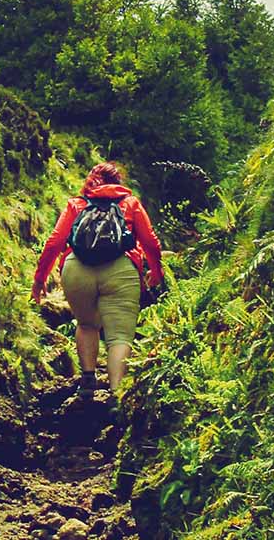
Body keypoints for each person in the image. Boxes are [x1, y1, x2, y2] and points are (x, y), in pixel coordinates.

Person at [32, 162, 164, 399]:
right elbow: (151, 242)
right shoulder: (130, 203)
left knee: (86, 324)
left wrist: (40, 278)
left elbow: (54, 242)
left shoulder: (77, 204)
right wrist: (156, 271)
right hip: (121, 269)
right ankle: (116, 395)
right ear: (118, 182)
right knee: (120, 336)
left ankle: (88, 381)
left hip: (77, 269)